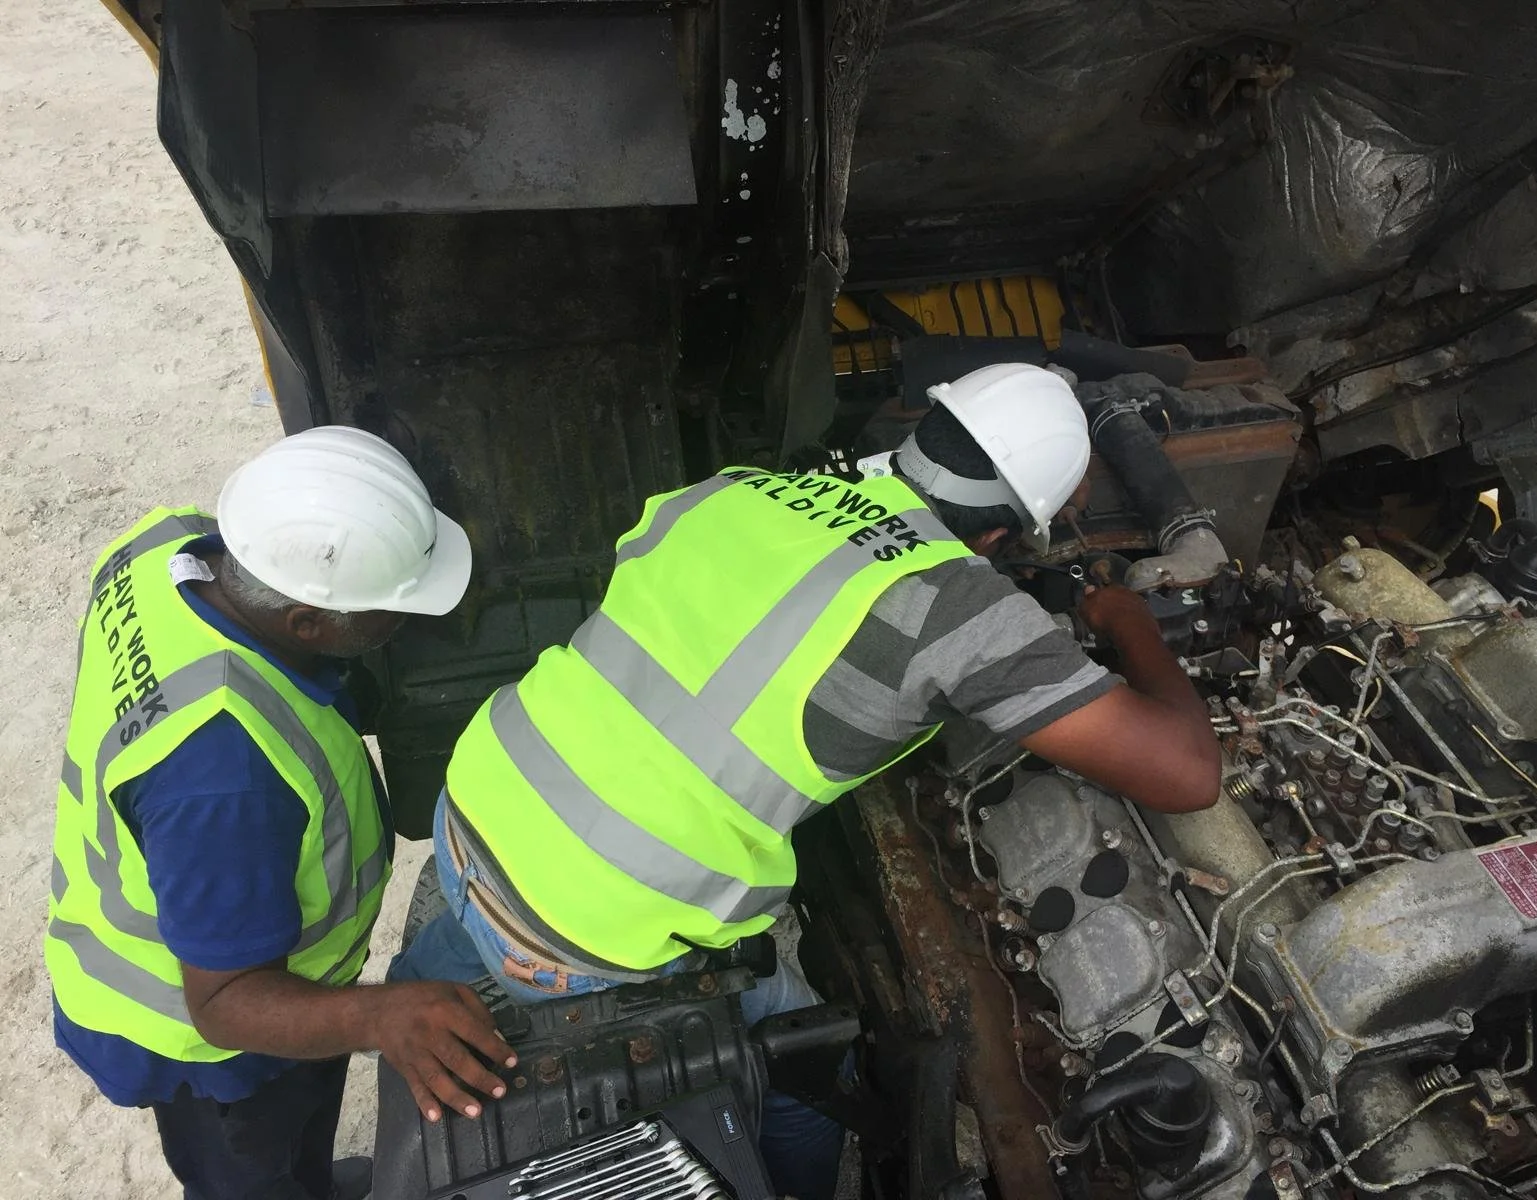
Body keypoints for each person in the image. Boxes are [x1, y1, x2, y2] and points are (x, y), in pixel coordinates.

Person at [389, 363, 1222, 1199]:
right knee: (813, 1083)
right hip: (597, 923)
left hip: (479, 800)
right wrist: (1128, 623)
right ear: (1003, 538)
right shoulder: (958, 604)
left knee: (460, 942)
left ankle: (424, 985)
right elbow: (1187, 774)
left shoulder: (732, 490)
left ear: (920, 437)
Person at [45, 426, 516, 1200]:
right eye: (389, 611)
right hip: (209, 1044)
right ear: (308, 624)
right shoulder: (226, 780)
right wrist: (382, 1017)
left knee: (295, 1139)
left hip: (236, 950)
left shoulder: (162, 546)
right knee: (250, 1171)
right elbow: (226, 1006)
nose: (404, 624)